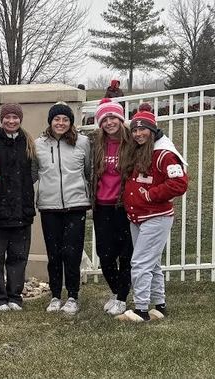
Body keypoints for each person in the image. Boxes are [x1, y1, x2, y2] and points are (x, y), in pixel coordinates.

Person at [116, 103, 189, 322]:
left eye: (143, 129)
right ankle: (159, 305)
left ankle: (141, 310)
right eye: (135, 130)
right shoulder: (140, 150)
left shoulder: (164, 154)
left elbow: (179, 183)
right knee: (152, 262)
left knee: (140, 262)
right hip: (138, 216)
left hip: (155, 216)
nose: (138, 134)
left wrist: (150, 195)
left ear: (152, 130)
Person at [35, 102, 92, 315]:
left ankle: (73, 296)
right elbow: (34, 172)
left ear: (71, 122)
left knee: (72, 253)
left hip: (76, 205)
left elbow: (88, 171)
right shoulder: (39, 144)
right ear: (50, 121)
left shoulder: (83, 142)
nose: (61, 123)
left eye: (65, 119)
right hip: (49, 206)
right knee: (54, 254)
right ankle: (56, 295)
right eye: (57, 119)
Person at [0, 103, 38, 312]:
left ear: (20, 119)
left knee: (18, 257)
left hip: (22, 210)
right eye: (7, 117)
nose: (11, 121)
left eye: (15, 117)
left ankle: (15, 296)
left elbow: (34, 172)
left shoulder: (28, 142)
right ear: (2, 119)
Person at [90, 99, 134, 316]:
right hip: (102, 206)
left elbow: (153, 138)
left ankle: (122, 298)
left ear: (121, 119)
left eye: (113, 117)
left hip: (124, 206)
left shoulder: (132, 142)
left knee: (126, 254)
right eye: (105, 119)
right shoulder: (96, 144)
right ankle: (118, 292)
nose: (109, 122)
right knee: (105, 255)